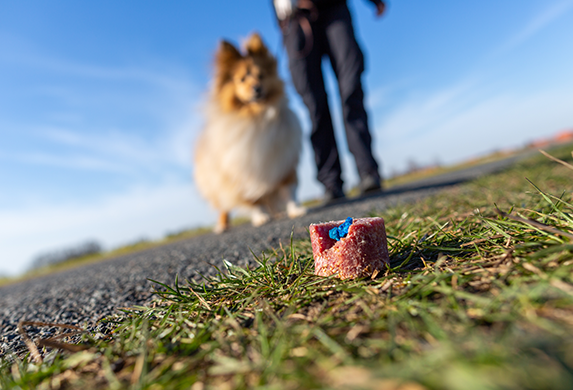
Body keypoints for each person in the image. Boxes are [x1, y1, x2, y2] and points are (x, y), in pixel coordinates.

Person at [274, 0, 386, 202]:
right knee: (314, 104)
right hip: (294, 19)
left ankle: (368, 171)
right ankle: (331, 182)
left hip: (334, 9)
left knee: (351, 88)